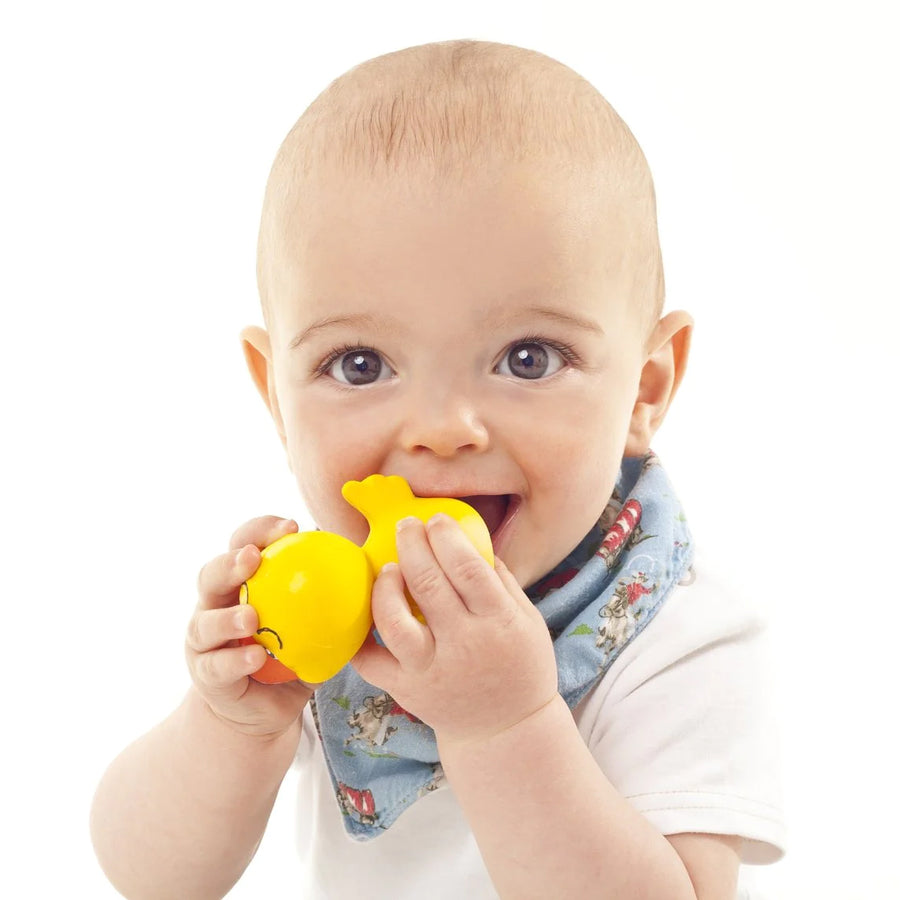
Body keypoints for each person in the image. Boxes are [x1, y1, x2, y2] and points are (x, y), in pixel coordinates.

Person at [90, 39, 785, 899]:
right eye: (360, 364)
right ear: (277, 399)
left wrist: (507, 723)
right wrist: (229, 725)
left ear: (643, 390)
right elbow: (152, 878)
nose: (443, 430)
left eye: (528, 357)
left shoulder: (675, 635)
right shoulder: (324, 609)